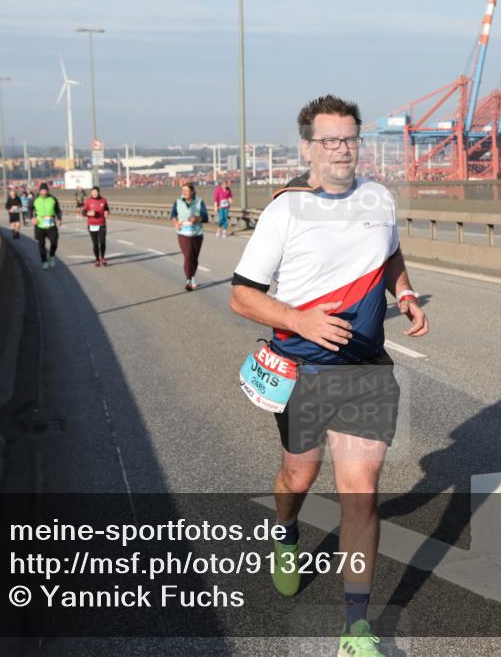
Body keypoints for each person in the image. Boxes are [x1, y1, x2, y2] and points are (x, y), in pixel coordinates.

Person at [229, 95, 428, 656]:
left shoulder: (379, 197)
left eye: (350, 139)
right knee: (298, 477)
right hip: (306, 371)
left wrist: (405, 291)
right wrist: (298, 319)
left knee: (360, 494)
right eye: (329, 141)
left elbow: (388, 255)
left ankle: (356, 628)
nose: (341, 150)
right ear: (307, 147)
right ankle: (286, 533)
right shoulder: (285, 211)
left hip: (365, 370)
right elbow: (242, 296)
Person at [170, 183, 207, 291]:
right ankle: (188, 281)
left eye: (186, 191)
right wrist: (175, 223)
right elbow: (173, 215)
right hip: (183, 233)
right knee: (188, 255)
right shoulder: (178, 201)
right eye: (183, 191)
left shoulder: (199, 202)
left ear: (192, 192)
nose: (184, 193)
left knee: (194, 258)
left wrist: (197, 218)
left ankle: (193, 277)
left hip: (197, 233)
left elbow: (205, 217)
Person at [32, 183, 62, 270]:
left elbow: (58, 210)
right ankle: (44, 261)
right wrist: (32, 218)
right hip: (39, 225)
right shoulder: (35, 199)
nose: (43, 192)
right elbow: (30, 209)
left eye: (45, 190)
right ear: (39, 191)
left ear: (48, 191)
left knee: (54, 241)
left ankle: (52, 255)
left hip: (51, 224)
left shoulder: (53, 199)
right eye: (42, 190)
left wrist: (59, 219)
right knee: (41, 244)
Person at [83, 186, 111, 267]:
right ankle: (97, 260)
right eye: (93, 192)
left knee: (102, 242)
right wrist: (88, 213)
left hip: (102, 224)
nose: (94, 193)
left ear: (98, 192)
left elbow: (107, 209)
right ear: (91, 193)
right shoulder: (88, 201)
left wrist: (107, 212)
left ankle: (102, 258)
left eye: (96, 192)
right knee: (95, 244)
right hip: (92, 225)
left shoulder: (103, 200)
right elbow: (83, 212)